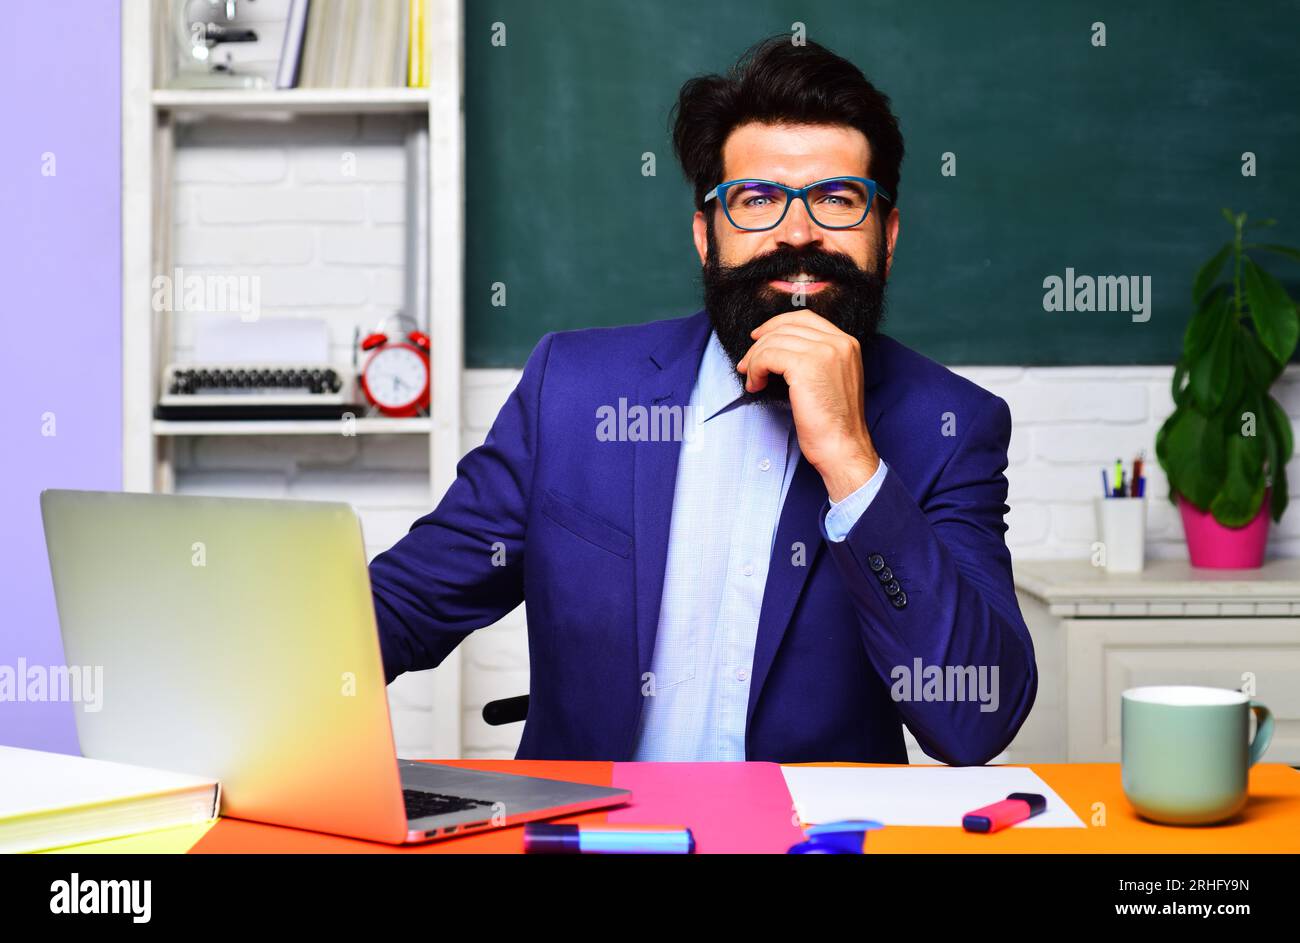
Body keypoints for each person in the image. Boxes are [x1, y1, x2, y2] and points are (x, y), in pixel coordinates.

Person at [370, 36, 1037, 765]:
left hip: (808, 843)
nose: (798, 232)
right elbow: (403, 606)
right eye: (756, 200)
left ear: (889, 233)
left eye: (838, 199)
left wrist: (852, 461)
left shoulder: (949, 425)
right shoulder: (574, 388)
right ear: (704, 235)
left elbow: (977, 714)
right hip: (590, 835)